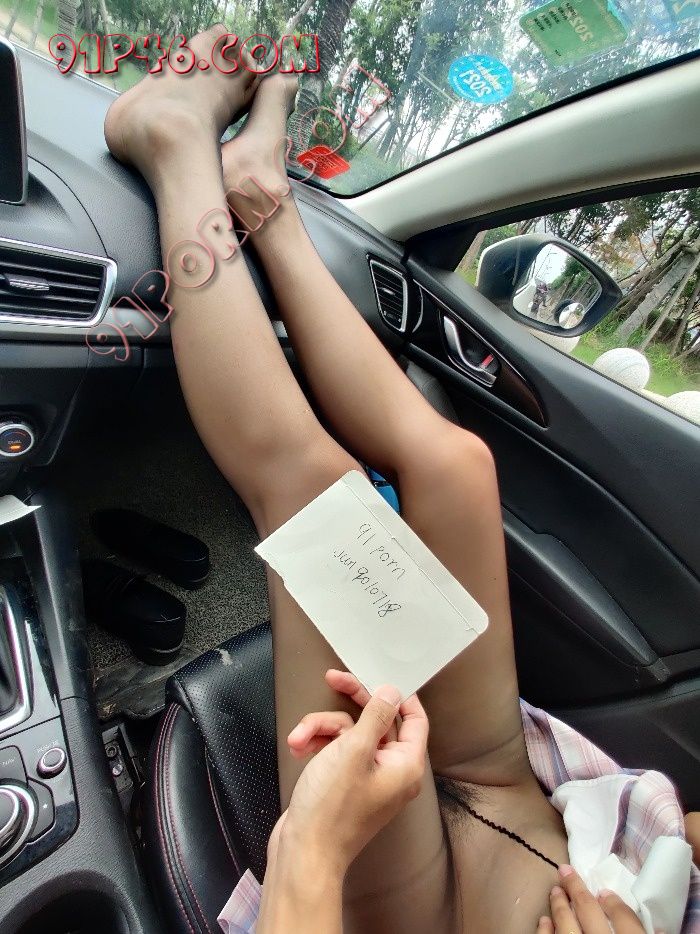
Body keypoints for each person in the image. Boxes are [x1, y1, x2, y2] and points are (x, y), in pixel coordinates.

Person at [103, 28, 698, 932]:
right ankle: (266, 202)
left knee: (324, 502)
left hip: (434, 916)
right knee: (458, 464)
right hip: (527, 804)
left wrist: (311, 856)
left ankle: (172, 142)